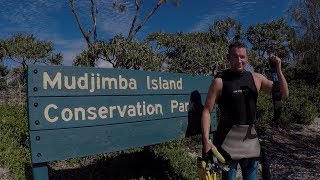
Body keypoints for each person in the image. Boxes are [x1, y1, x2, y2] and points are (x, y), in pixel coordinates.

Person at [201, 41, 289, 180]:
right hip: (227, 141)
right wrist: (206, 140)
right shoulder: (220, 81)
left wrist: (278, 69)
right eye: (235, 57)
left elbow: (283, 95)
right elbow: (207, 110)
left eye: (242, 56)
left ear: (247, 58)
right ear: (228, 58)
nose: (239, 60)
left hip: (250, 140)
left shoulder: (256, 78)